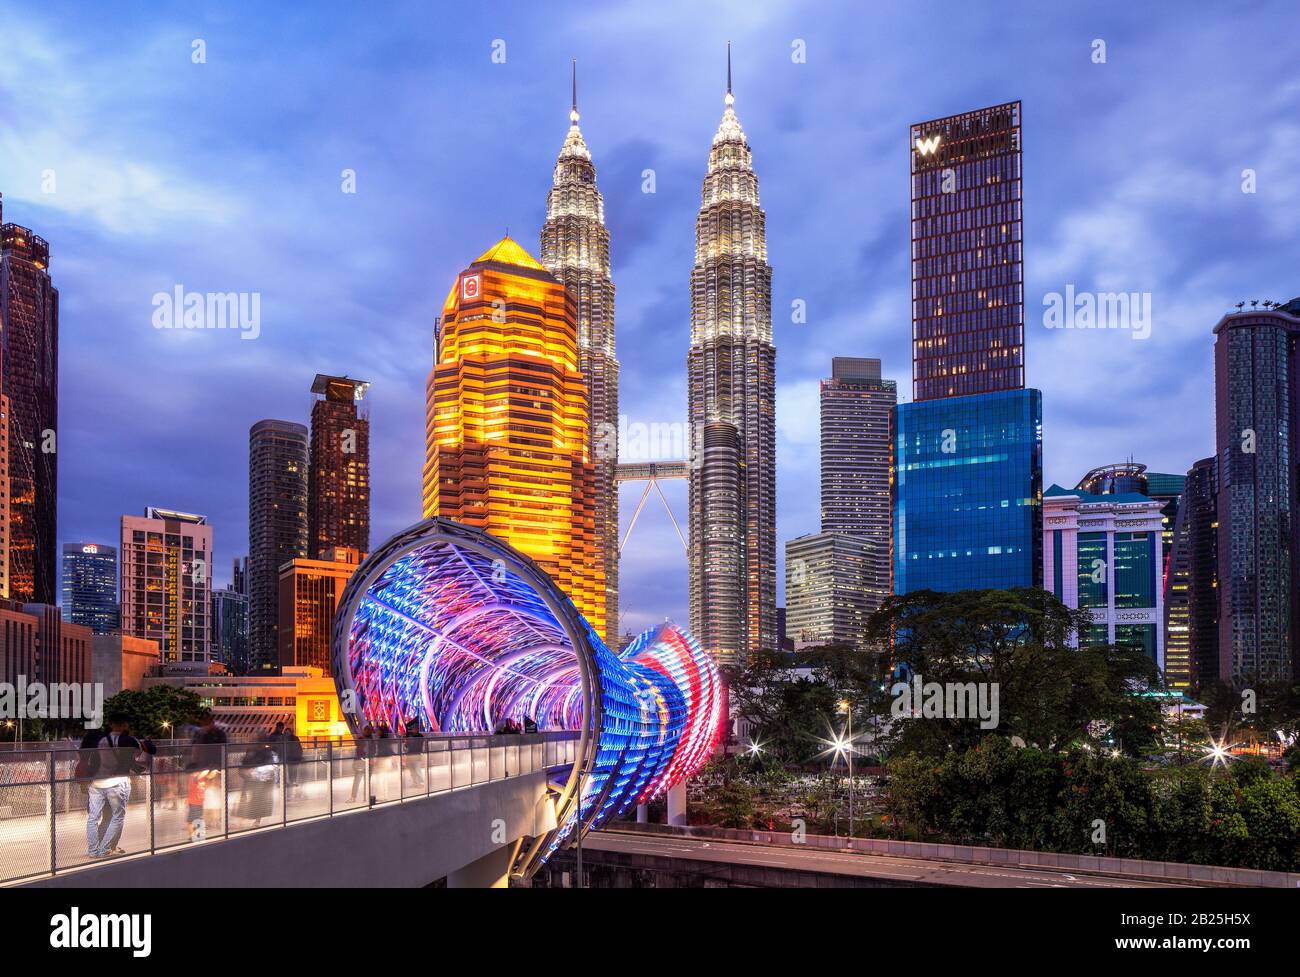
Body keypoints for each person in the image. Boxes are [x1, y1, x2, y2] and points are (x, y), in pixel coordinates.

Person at [78, 712, 156, 859]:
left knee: (93, 818)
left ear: (111, 724)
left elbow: (91, 761)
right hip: (117, 782)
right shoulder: (128, 740)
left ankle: (93, 851)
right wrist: (147, 741)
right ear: (125, 724)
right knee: (117, 817)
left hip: (96, 783)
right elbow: (150, 750)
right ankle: (105, 849)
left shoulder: (101, 740)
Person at [186, 711, 227, 841]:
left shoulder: (218, 734)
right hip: (202, 769)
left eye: (206, 724)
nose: (204, 726)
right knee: (197, 804)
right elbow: (194, 750)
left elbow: (222, 751)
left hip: (210, 769)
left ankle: (200, 832)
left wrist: (215, 769)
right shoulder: (200, 734)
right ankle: (198, 833)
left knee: (204, 801)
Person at [237, 741, 279, 827]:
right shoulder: (263, 752)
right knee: (251, 800)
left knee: (254, 801)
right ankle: (249, 821)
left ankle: (250, 821)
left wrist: (251, 771)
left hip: (256, 781)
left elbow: (243, 765)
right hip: (254, 781)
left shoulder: (262, 752)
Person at [350, 723, 375, 803]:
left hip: (362, 762)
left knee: (357, 780)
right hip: (366, 762)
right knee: (365, 781)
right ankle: (365, 796)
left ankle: (354, 797)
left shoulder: (361, 739)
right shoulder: (371, 740)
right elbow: (372, 751)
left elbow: (358, 751)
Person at [403, 716, 424, 788]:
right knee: (412, 770)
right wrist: (406, 743)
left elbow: (419, 745)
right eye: (413, 729)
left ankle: (420, 783)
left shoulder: (420, 736)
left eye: (416, 729)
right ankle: (415, 782)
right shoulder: (410, 737)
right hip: (409, 755)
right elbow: (406, 747)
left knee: (417, 770)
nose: (414, 730)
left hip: (416, 755)